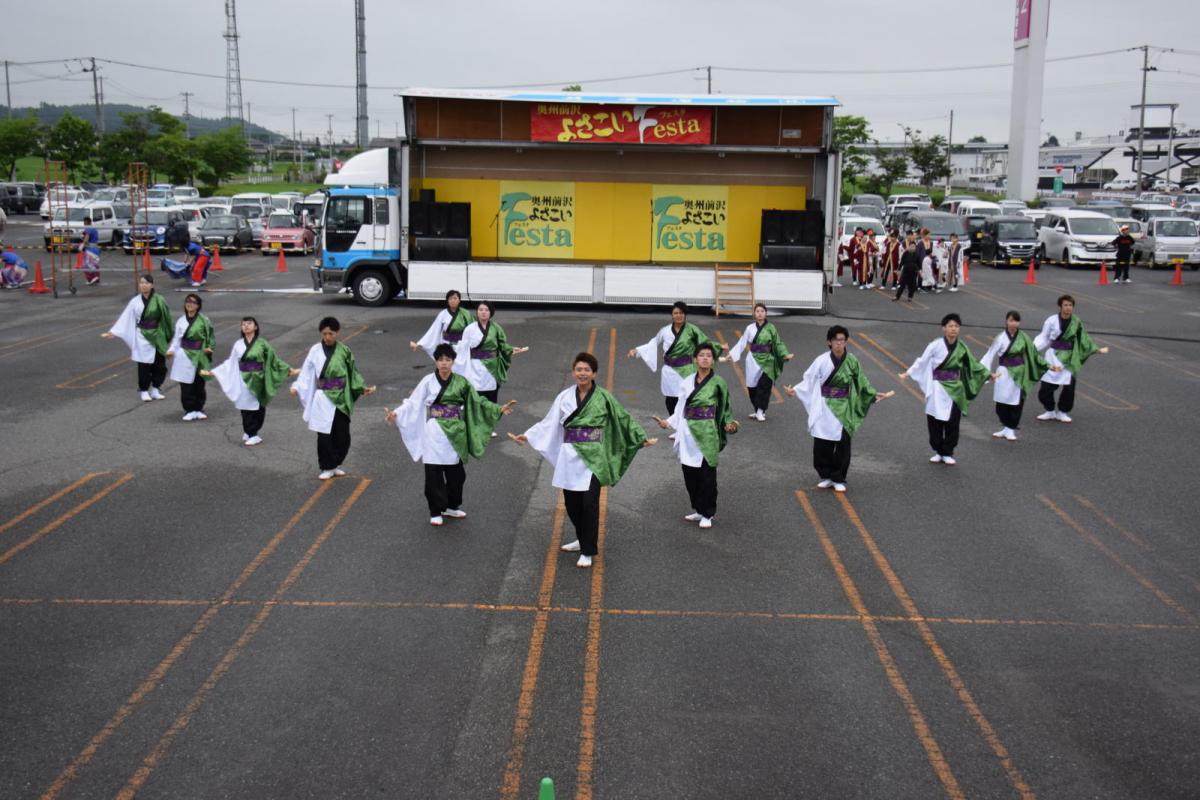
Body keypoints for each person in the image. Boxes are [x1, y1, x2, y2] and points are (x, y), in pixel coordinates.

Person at [511, 352, 656, 569]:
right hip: (570, 456)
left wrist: (639, 437)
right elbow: (549, 421)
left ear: (594, 373)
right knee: (572, 504)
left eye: (587, 370)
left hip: (594, 458)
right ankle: (581, 538)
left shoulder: (604, 397)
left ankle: (588, 550)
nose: (582, 373)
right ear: (573, 372)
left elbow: (622, 417)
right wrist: (528, 435)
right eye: (579, 369)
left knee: (589, 504)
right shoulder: (564, 397)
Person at [386, 343, 514, 526]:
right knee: (434, 473)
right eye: (440, 360)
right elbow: (413, 403)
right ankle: (435, 510)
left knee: (457, 474)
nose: (444, 363)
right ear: (436, 362)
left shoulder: (462, 382)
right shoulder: (428, 381)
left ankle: (451, 506)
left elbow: (478, 402)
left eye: (448, 359)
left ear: (453, 362)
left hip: (456, 432)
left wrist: (498, 408)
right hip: (434, 431)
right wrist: (396, 413)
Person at [786, 325, 894, 492]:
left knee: (843, 444)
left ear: (846, 341)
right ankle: (826, 474)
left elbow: (861, 381)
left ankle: (838, 477)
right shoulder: (821, 360)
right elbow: (809, 379)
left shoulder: (852, 361)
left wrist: (872, 394)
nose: (839, 344)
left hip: (844, 407)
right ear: (829, 342)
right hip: (825, 406)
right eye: (836, 340)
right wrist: (796, 390)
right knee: (822, 443)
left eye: (842, 340)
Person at [653, 342, 737, 528]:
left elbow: (725, 408)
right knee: (690, 475)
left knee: (707, 476)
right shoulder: (687, 382)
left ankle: (708, 513)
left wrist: (729, 424)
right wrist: (668, 423)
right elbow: (680, 407)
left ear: (713, 361)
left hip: (708, 433)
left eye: (709, 355)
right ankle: (698, 509)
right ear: (695, 359)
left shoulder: (718, 383)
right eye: (701, 355)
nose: (705, 358)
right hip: (688, 433)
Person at [291, 317, 377, 480]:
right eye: (324, 334)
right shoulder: (315, 350)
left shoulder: (345, 350)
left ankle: (336, 463)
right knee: (324, 434)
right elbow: (307, 372)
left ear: (337, 333)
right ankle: (326, 466)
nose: (327, 337)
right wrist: (297, 386)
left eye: (330, 333)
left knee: (343, 435)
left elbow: (353, 372)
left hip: (341, 396)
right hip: (323, 396)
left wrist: (361, 387)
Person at [899, 313, 990, 465]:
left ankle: (947, 451)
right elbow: (922, 361)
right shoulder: (935, 345)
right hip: (937, 387)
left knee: (953, 420)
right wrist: (908, 373)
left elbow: (973, 364)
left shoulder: (962, 347)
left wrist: (988, 374)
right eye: (950, 326)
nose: (953, 329)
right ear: (944, 328)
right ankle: (938, 450)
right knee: (935, 419)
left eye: (956, 326)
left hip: (956, 388)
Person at [203, 317, 297, 446]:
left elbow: (273, 359)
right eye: (243, 324)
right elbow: (231, 362)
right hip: (243, 378)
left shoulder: (262, 343)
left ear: (255, 327)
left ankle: (253, 433)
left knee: (257, 407)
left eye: (249, 323)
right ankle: (249, 431)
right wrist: (214, 371)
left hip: (259, 378)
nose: (246, 326)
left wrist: (287, 369)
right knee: (244, 406)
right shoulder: (238, 344)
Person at [629, 301, 724, 415]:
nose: (679, 315)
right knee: (671, 400)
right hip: (669, 370)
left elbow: (705, 342)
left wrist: (719, 346)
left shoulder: (692, 330)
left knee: (687, 397)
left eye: (682, 313)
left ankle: (684, 425)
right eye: (676, 313)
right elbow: (654, 342)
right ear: (672, 315)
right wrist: (637, 351)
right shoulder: (665, 331)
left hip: (687, 369)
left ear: (685, 315)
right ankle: (674, 424)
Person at [980, 310, 1058, 441]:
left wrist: (1048, 365)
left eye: (1016, 320)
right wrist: (986, 373)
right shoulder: (1000, 338)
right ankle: (1005, 425)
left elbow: (1033, 354)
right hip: (1003, 372)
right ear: (1006, 321)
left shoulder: (1023, 337)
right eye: (1011, 320)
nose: (1013, 323)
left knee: (1016, 401)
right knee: (1001, 401)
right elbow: (989, 354)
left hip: (1020, 373)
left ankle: (1011, 428)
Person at [1033, 294, 1108, 423]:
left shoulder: (1076, 321)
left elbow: (1083, 338)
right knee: (1046, 388)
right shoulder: (1051, 320)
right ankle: (1050, 410)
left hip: (1070, 358)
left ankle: (1063, 411)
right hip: (1053, 356)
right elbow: (1044, 337)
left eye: (1070, 305)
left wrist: (1095, 349)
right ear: (1060, 306)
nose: (1068, 308)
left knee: (1069, 387)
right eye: (1065, 305)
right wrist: (1032, 348)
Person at [102, 274, 173, 402]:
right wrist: (114, 332)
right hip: (142, 335)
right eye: (141, 283)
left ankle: (156, 388)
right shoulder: (135, 301)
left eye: (146, 283)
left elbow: (166, 318)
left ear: (152, 285)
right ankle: (144, 390)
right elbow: (126, 317)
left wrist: (167, 334)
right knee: (144, 364)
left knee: (159, 364)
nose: (144, 285)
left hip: (157, 334)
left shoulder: (159, 300)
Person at [721, 302, 793, 422]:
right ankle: (757, 410)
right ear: (754, 313)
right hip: (753, 359)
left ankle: (760, 411)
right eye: (757, 311)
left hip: (768, 360)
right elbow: (742, 342)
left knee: (764, 385)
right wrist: (731, 355)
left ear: (766, 313)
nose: (760, 313)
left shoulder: (771, 328)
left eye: (762, 311)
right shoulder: (750, 328)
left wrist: (784, 354)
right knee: (752, 387)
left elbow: (777, 343)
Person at [453, 300, 529, 404]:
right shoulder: (469, 329)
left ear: (490, 312)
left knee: (491, 395)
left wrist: (510, 349)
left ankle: (490, 417)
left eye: (486, 310)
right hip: (474, 366)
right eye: (480, 310)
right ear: (477, 312)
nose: (483, 312)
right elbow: (463, 349)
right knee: (475, 394)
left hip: (492, 367)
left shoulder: (496, 328)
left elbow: (502, 344)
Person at [166, 293, 215, 421]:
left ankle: (199, 408)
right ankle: (189, 409)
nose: (189, 304)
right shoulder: (181, 321)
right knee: (186, 384)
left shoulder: (205, 320)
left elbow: (210, 336)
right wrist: (171, 350)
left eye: (193, 302)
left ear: (198, 306)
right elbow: (177, 339)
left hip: (200, 354)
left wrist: (210, 347)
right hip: (184, 354)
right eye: (187, 301)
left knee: (199, 382)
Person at [410, 289, 474, 359]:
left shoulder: (466, 314)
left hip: (462, 345)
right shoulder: (443, 314)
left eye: (455, 298)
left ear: (459, 300)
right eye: (450, 299)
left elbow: (473, 330)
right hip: (446, 345)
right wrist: (419, 344)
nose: (453, 301)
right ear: (448, 301)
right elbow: (433, 330)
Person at [79, 216, 101, 285]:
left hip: (90, 249)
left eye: (84, 222)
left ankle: (93, 277)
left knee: (87, 264)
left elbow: (86, 238)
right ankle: (96, 278)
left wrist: (82, 245)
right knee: (95, 264)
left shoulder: (88, 229)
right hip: (96, 248)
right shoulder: (94, 229)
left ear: (86, 222)